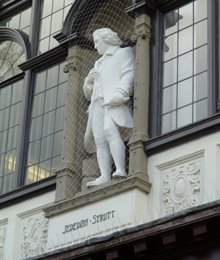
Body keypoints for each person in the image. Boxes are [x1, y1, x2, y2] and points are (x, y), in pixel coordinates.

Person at [83, 28, 134, 187]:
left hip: (113, 101)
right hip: (97, 104)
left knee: (110, 131)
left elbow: (129, 74)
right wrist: (88, 82)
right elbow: (87, 94)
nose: (96, 45)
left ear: (107, 39)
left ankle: (120, 169)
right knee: (100, 140)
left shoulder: (122, 53)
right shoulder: (98, 63)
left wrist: (120, 93)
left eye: (98, 41)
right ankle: (105, 175)